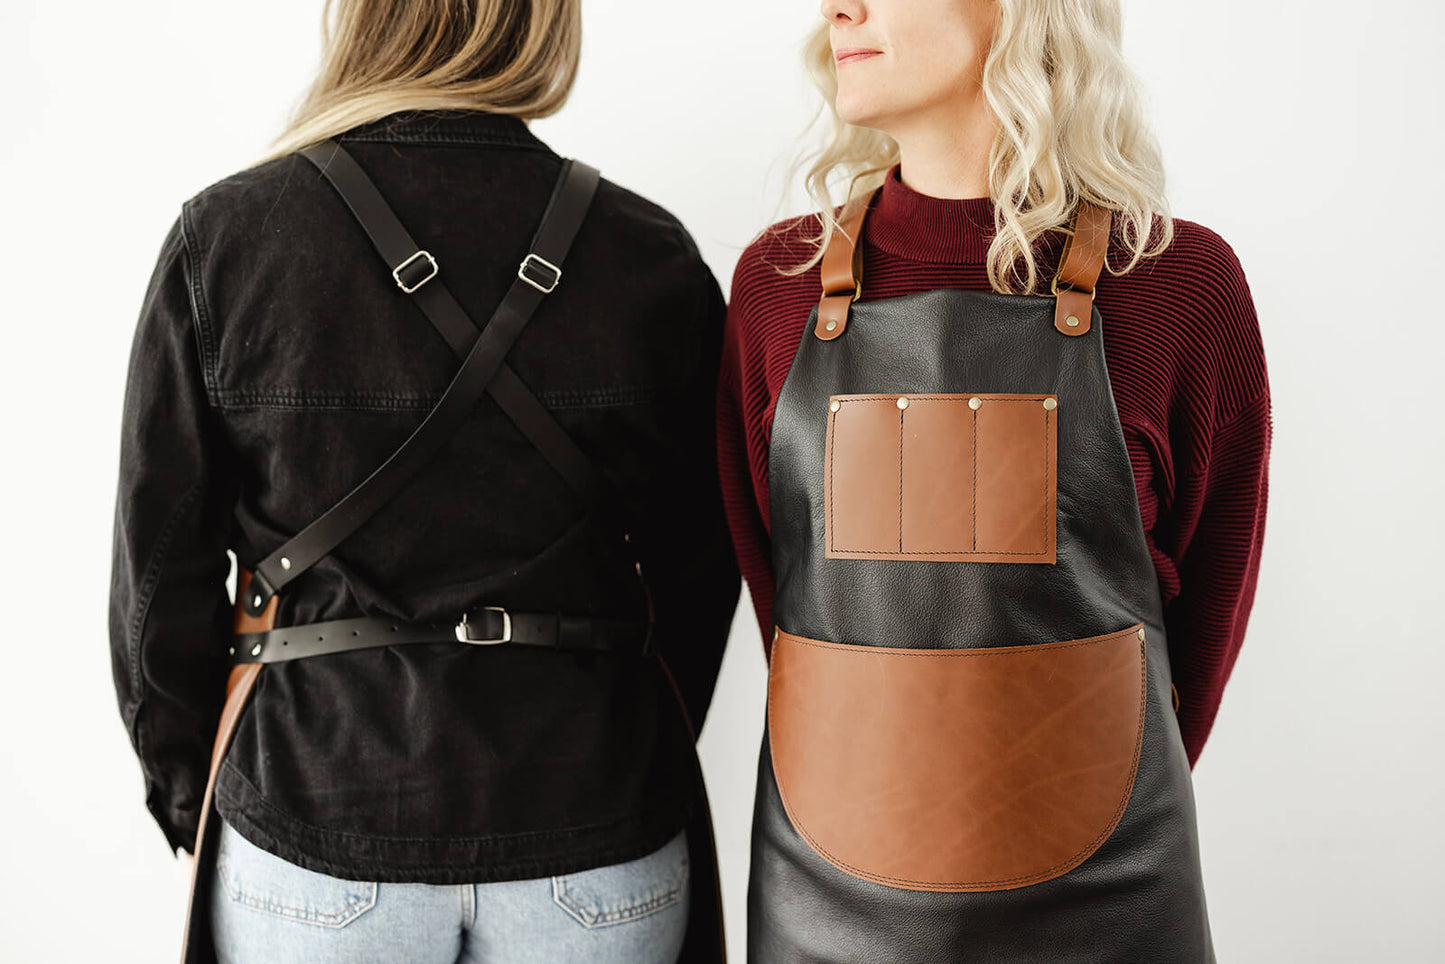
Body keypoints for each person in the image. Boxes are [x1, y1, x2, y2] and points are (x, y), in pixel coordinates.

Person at [107, 1, 738, 961]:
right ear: (541, 28)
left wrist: (195, 798)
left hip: (311, 814)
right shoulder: (647, 251)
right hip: (595, 822)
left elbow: (158, 577)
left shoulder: (227, 239)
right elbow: (703, 566)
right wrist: (630, 750)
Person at [715, 0, 1271, 960]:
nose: (837, 8)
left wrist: (1072, 795)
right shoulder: (777, 283)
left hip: (1110, 890)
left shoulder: (1176, 281)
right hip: (826, 894)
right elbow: (784, 607)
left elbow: (1203, 627)